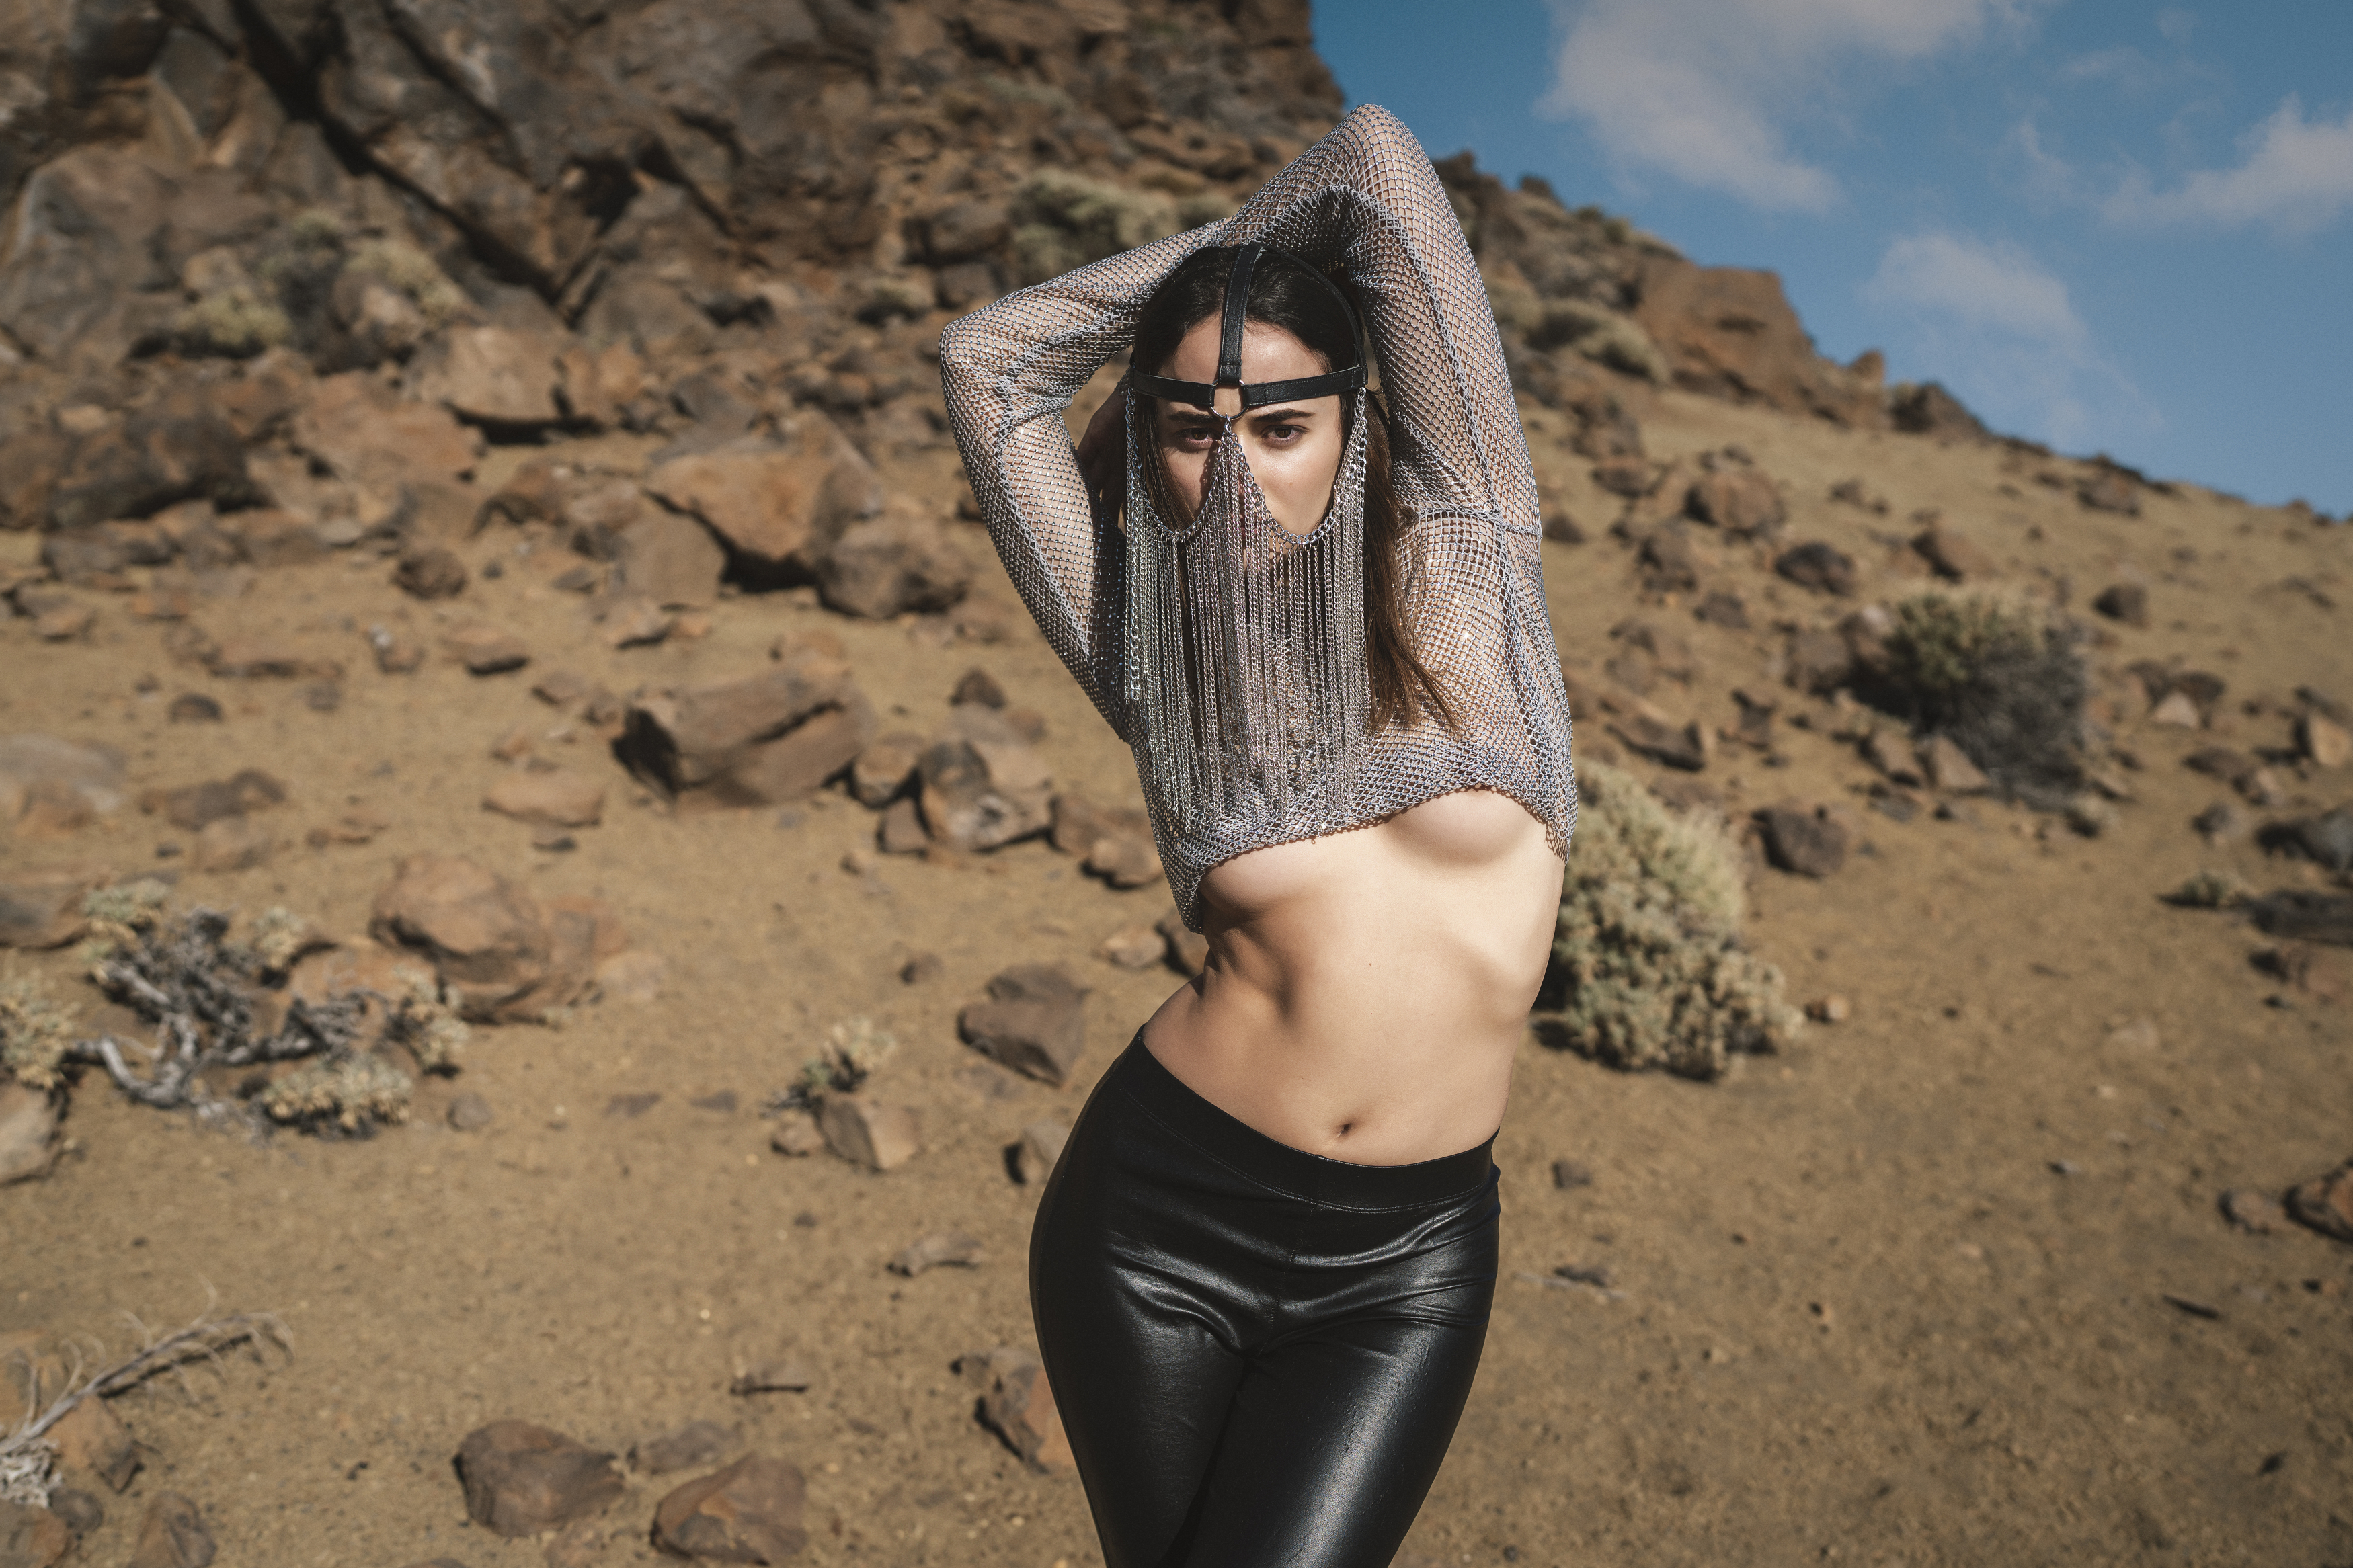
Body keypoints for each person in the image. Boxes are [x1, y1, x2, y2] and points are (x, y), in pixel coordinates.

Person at [938, 104, 1576, 1568]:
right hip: (1155, 1223)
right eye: (1185, 429)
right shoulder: (1149, 646)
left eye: (1282, 426)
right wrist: (1196, 340)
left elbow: (1370, 159)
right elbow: (990, 358)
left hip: (1406, 1261)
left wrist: (1218, 287)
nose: (1232, 469)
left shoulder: (1471, 559)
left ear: (1353, 427)